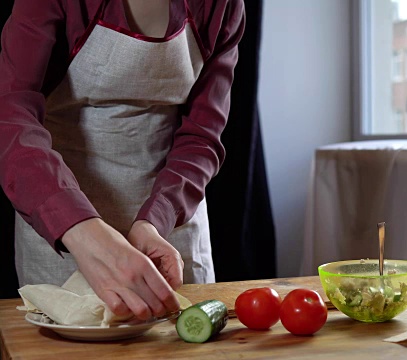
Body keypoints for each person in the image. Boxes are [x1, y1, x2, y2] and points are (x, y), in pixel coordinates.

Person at [0, 0, 244, 320]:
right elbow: (10, 115)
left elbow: (201, 136)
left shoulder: (222, 5)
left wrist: (156, 220)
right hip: (59, 216)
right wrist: (79, 228)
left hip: (169, 227)